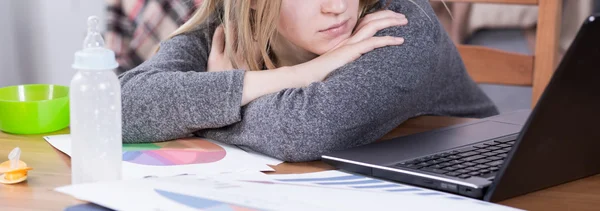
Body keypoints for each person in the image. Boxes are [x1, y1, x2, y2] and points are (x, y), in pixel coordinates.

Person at [118, 0, 498, 162]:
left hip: (468, 181)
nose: (337, 7)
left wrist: (210, 101)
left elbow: (304, 130)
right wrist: (297, 75)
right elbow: (121, 107)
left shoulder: (397, 26)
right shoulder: (227, 28)